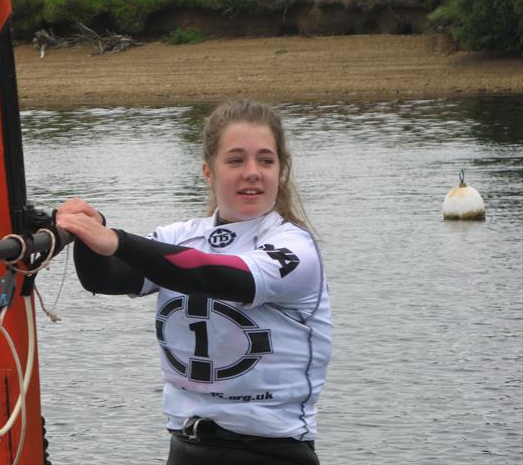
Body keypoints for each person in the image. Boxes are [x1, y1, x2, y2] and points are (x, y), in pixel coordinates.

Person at [56, 100, 331, 465]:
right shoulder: (179, 237)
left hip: (271, 452)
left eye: (265, 160)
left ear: (280, 172)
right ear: (208, 172)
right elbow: (105, 278)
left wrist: (117, 240)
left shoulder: (295, 246)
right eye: (236, 160)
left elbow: (220, 277)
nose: (252, 172)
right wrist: (90, 229)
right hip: (187, 448)